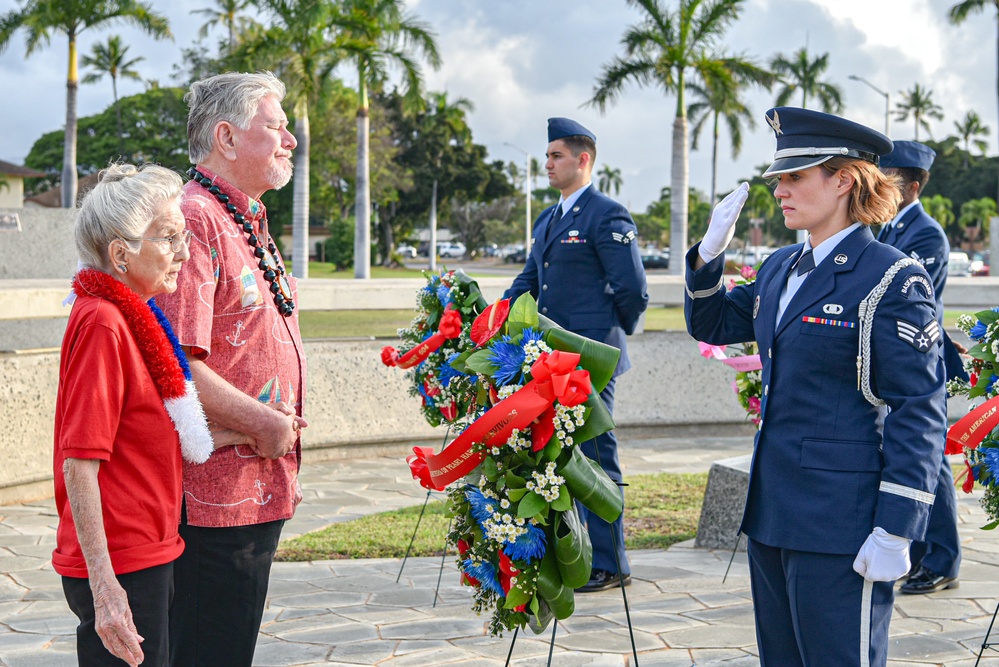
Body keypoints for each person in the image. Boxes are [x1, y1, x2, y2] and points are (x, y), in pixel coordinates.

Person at [685, 107, 947, 666]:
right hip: (773, 511)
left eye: (795, 176)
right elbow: (713, 325)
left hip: (841, 522)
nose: (779, 190)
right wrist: (708, 256)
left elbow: (919, 409)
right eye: (780, 176)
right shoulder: (781, 267)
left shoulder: (891, 276)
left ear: (844, 181)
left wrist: (897, 528)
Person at [157, 71, 308, 667]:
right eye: (277, 126)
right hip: (216, 499)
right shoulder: (195, 218)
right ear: (226, 136)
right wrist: (267, 424)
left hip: (253, 488)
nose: (291, 139)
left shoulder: (243, 217)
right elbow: (174, 360)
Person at [53, 163, 218, 666]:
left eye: (183, 235)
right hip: (123, 563)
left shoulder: (134, 312)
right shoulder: (105, 322)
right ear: (121, 255)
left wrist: (250, 429)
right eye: (169, 238)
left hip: (149, 550)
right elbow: (78, 462)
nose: (184, 252)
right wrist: (105, 589)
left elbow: (148, 427)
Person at [504, 117, 648, 592]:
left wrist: (606, 343)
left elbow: (632, 289)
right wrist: (494, 316)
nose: (547, 164)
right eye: (547, 156)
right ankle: (577, 555)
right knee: (559, 455)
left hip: (590, 362)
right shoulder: (549, 218)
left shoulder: (606, 215)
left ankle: (611, 563)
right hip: (549, 360)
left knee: (596, 455)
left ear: (582, 159)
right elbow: (529, 282)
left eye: (556, 156)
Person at [877, 141, 966, 595]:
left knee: (933, 461)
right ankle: (917, 555)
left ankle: (942, 559)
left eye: (890, 176)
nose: (882, 182)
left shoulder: (925, 234)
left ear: (912, 186)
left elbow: (914, 300)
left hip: (917, 359)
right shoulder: (886, 229)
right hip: (888, 361)